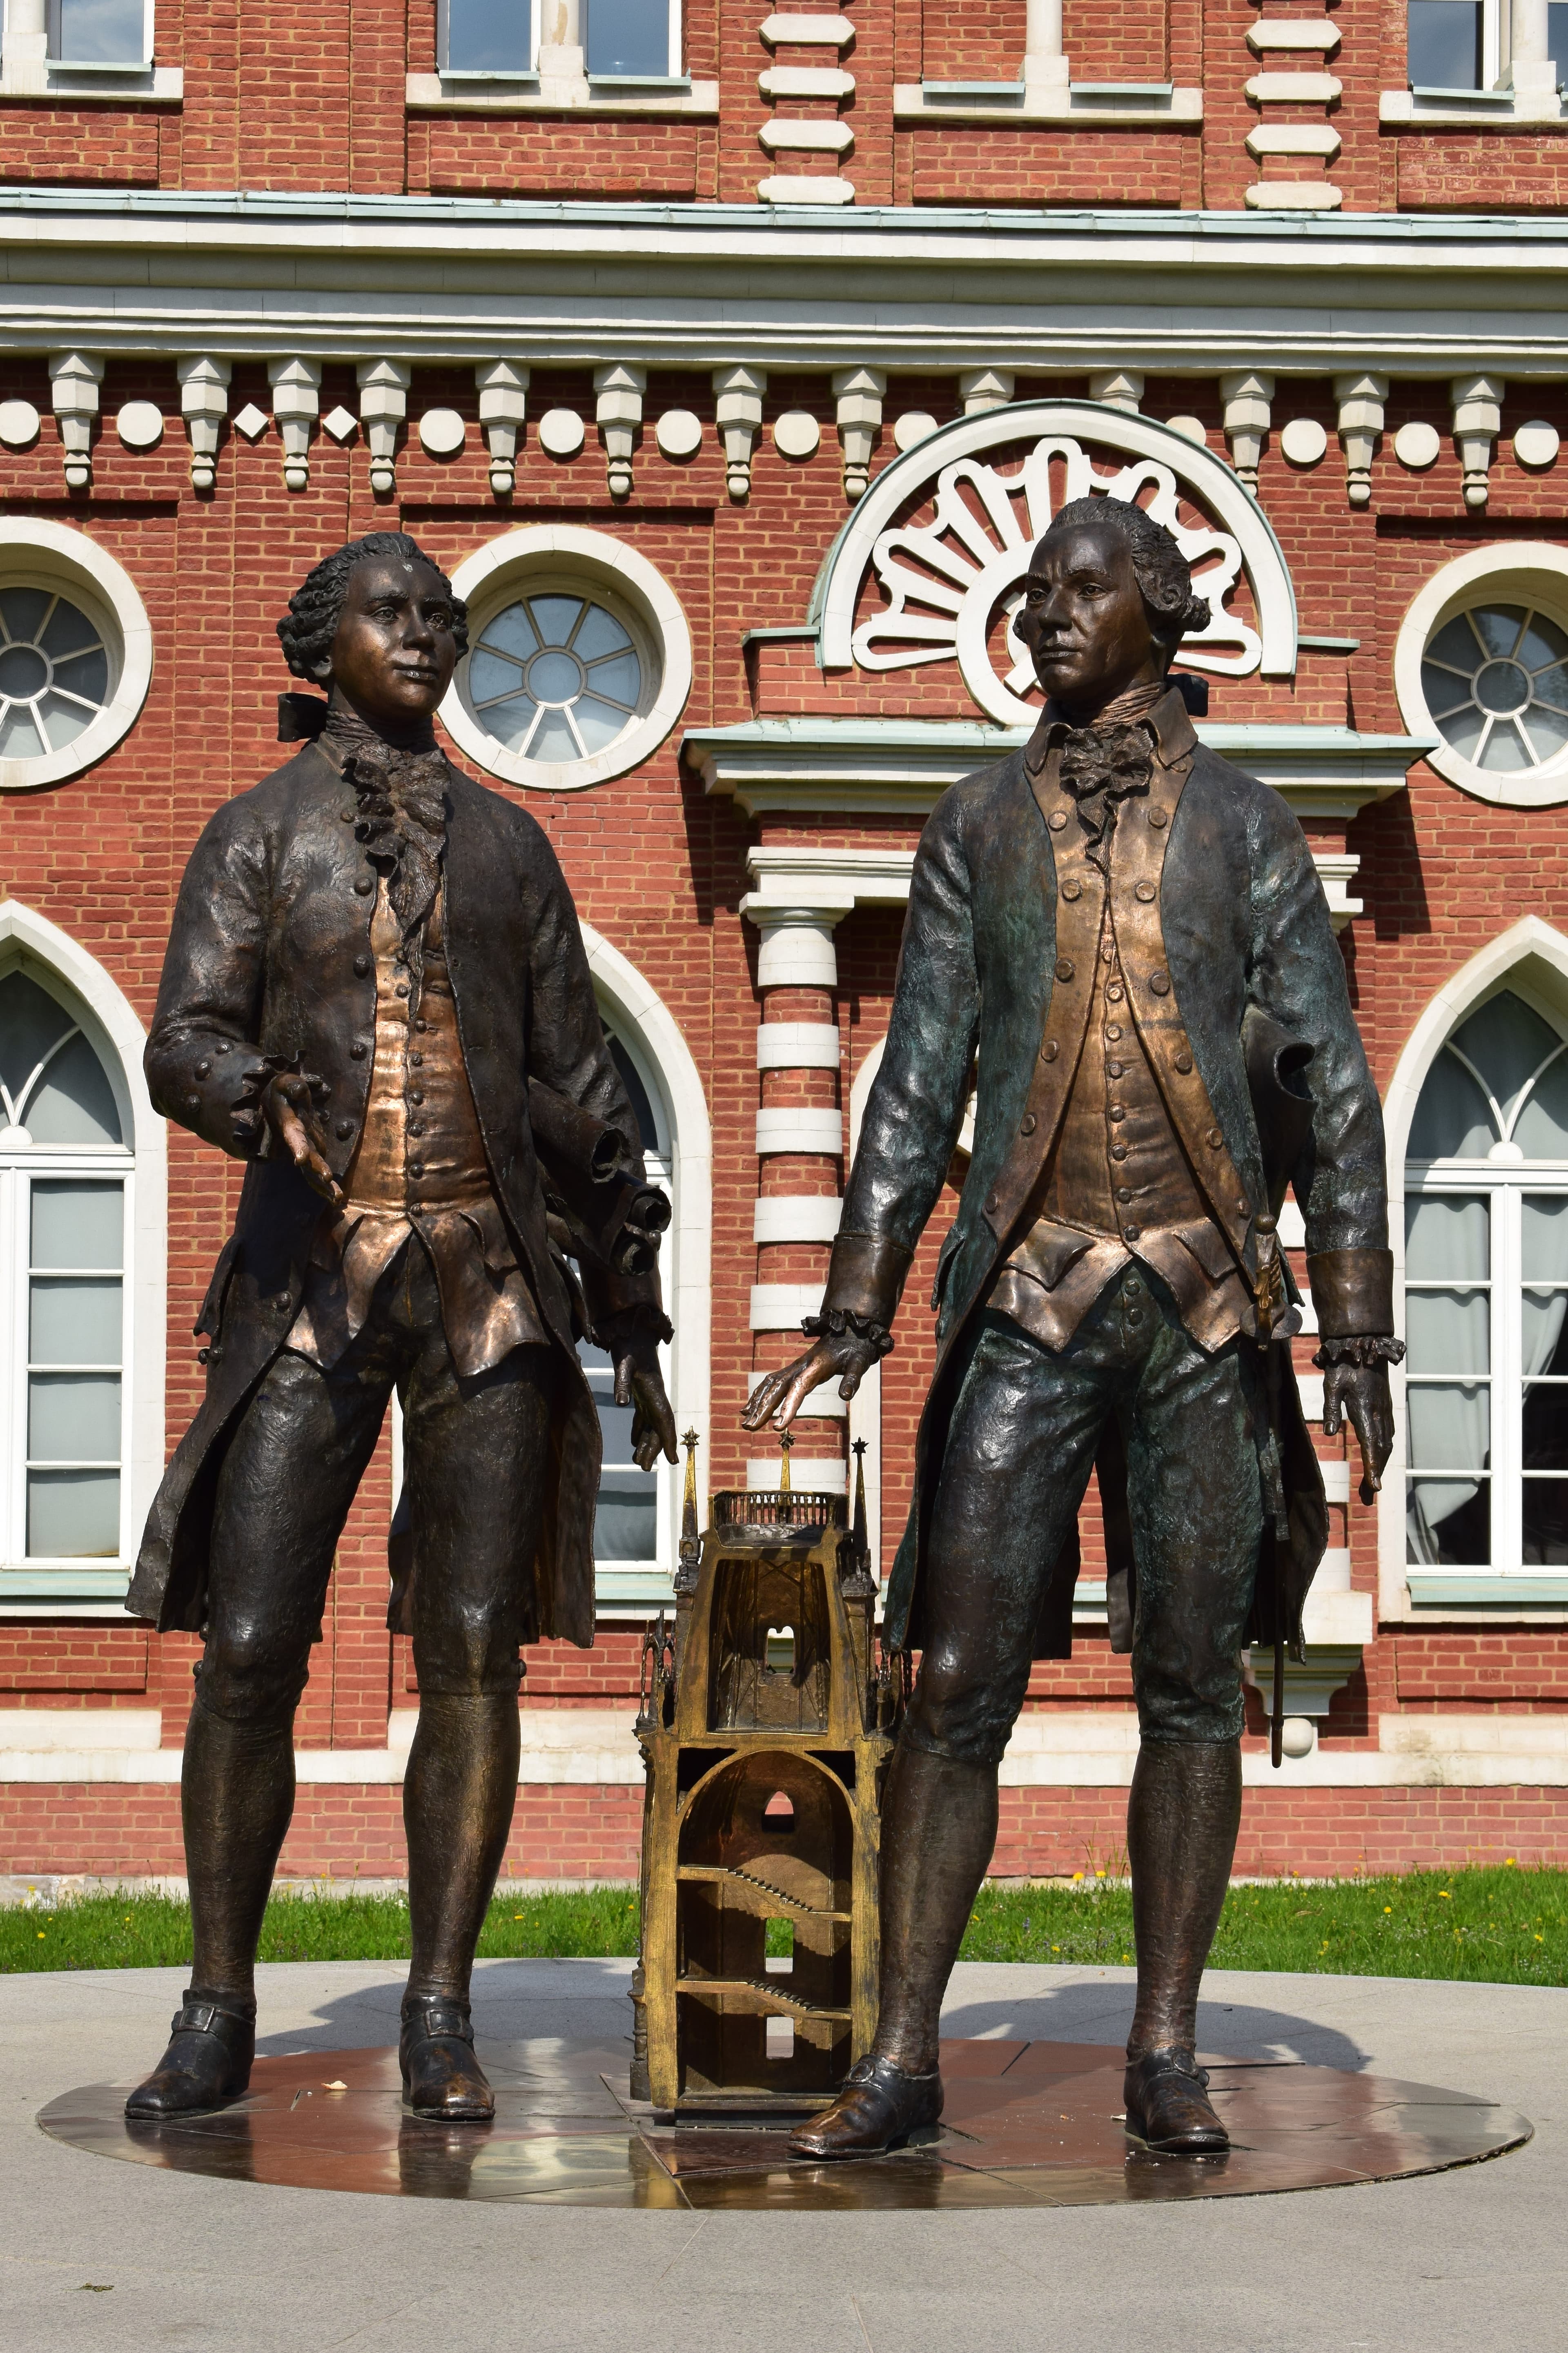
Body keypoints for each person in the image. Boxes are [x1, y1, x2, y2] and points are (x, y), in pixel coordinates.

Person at [745, 496, 1399, 2159]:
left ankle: (1164, 2049)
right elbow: (918, 1077)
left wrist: (1360, 1336)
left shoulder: (1251, 829)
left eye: (1082, 586)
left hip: (1200, 1313)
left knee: (1190, 1684)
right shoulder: (978, 820)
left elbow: (1333, 1087)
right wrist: (857, 1295)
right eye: (1034, 588)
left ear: (1163, 617)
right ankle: (901, 2055)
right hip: (1028, 1303)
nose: (1045, 610)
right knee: (954, 1677)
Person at [125, 532, 676, 2122]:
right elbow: (183, 1040)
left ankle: (441, 2006)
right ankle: (218, 2002)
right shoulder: (255, 834)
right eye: (394, 611)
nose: (429, 632)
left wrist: (631, 1290)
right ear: (322, 643)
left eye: (448, 614)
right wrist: (253, 1103)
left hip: (492, 1288)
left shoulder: (512, 848)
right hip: (313, 1283)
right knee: (248, 1649)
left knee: (475, 1654)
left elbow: (579, 1082)